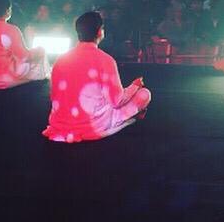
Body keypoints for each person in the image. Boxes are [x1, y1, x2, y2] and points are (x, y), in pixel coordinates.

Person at [43, 11, 152, 143]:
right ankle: (124, 121)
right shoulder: (106, 60)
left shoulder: (60, 60)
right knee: (144, 94)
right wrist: (134, 86)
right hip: (94, 124)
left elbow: (53, 96)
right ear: (100, 32)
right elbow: (116, 101)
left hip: (61, 122)